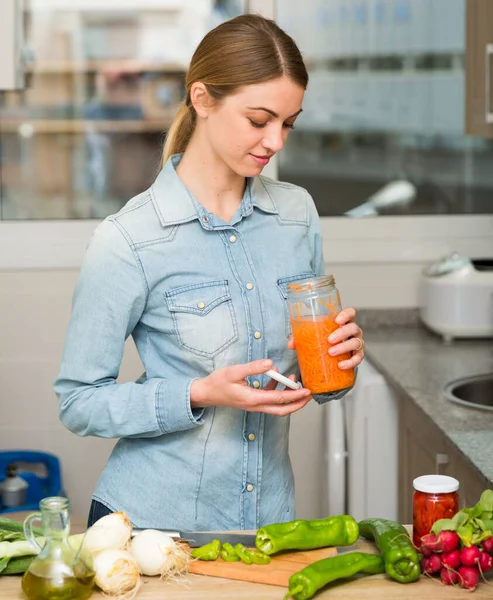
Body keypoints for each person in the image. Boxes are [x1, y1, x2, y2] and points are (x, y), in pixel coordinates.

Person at [54, 14, 365, 531]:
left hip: (267, 526)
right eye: (259, 119)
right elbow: (79, 402)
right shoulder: (129, 239)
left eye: (288, 123)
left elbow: (310, 372)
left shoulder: (295, 214)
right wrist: (197, 394)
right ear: (202, 99)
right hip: (151, 527)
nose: (276, 142)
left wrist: (338, 362)